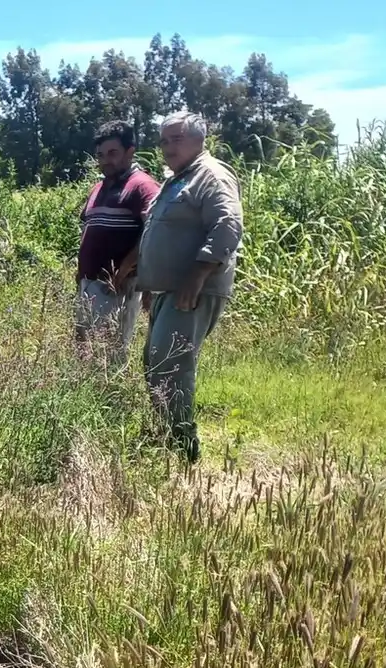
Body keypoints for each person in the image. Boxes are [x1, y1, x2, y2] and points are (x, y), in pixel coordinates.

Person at [135, 112, 244, 463]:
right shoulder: (179, 178)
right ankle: (166, 434)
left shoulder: (211, 174)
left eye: (176, 138)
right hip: (170, 290)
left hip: (193, 290)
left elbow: (228, 225)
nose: (168, 147)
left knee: (172, 367)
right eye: (164, 140)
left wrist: (197, 275)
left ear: (200, 139)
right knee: (155, 362)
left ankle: (183, 449)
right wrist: (152, 285)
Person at [74, 120, 161, 366]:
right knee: (85, 347)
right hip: (89, 282)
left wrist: (123, 271)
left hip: (117, 286)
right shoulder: (99, 188)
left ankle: (110, 398)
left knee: (110, 351)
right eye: (100, 155)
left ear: (130, 152)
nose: (105, 161)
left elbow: (152, 232)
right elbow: (88, 228)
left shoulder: (142, 186)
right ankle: (86, 396)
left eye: (113, 153)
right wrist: (80, 271)